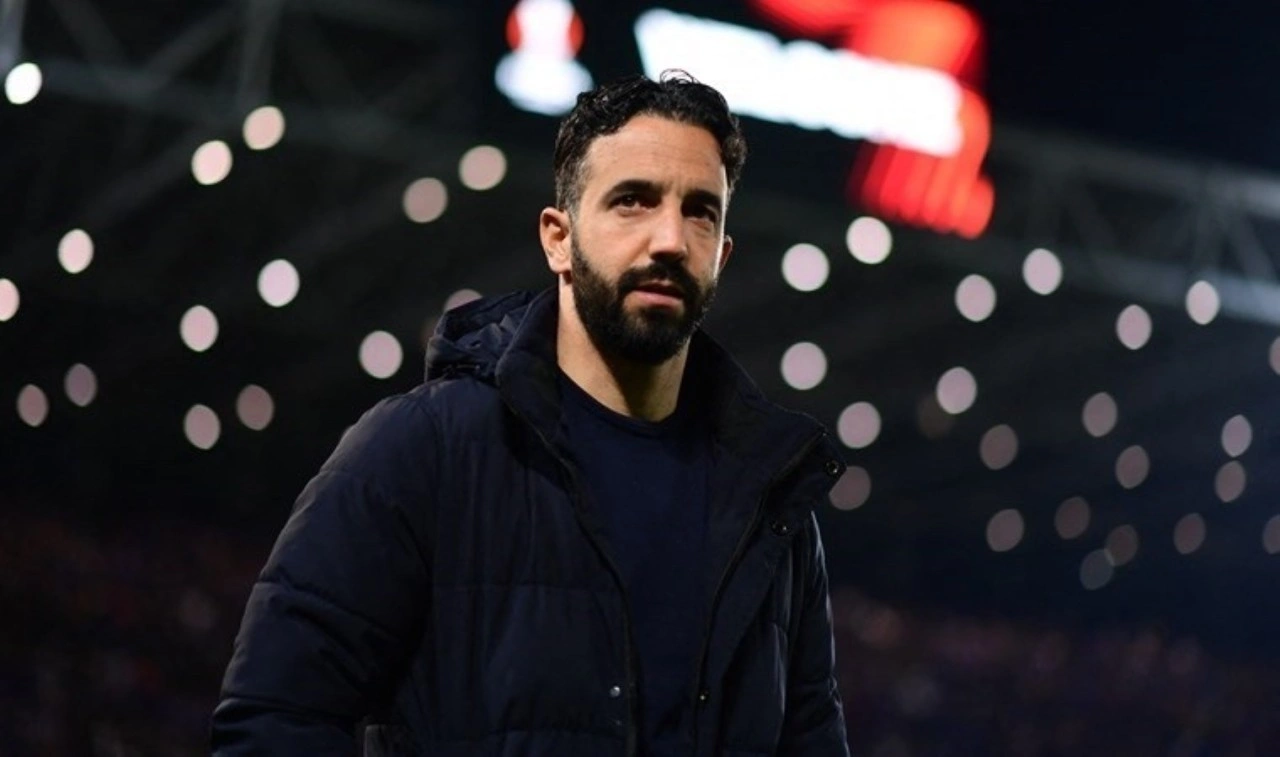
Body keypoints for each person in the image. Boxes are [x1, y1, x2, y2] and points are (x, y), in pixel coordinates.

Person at [211, 71, 850, 757]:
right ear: (557, 238)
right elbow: (275, 720)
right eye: (632, 201)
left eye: (700, 211)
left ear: (721, 254)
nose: (670, 238)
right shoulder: (423, 448)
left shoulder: (770, 502)